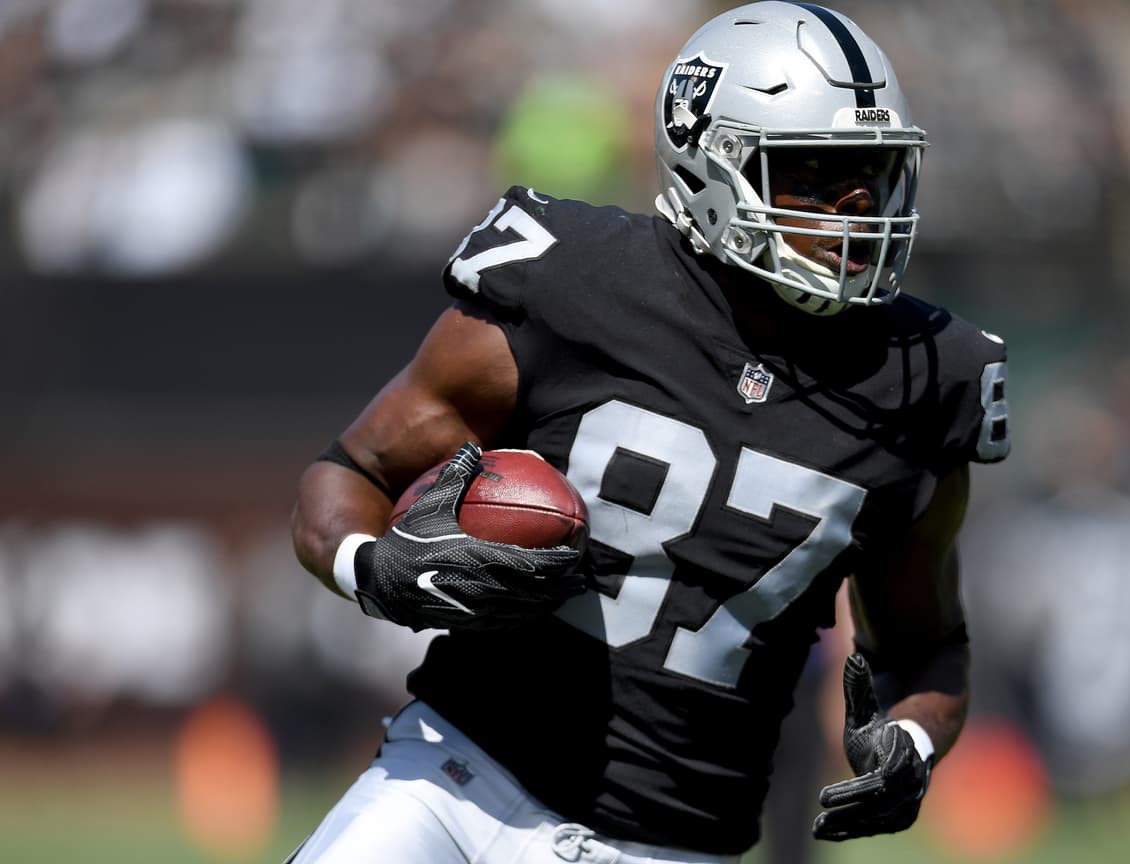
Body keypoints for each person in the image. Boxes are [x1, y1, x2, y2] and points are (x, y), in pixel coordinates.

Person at [287, 3, 1010, 862]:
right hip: (454, 777)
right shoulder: (569, 280)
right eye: (818, 172)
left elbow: (928, 652)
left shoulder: (925, 381)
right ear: (712, 164)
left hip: (669, 845)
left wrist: (914, 744)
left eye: (876, 174)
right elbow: (347, 473)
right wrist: (377, 568)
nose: (856, 208)